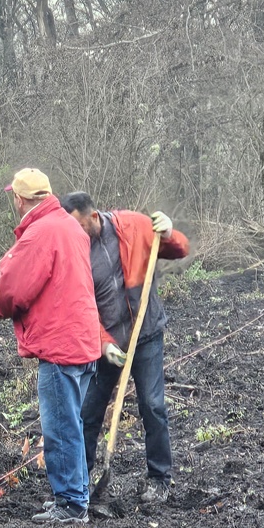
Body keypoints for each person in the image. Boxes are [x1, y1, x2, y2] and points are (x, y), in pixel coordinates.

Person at [0, 168, 101, 524]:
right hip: (81, 339)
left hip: (59, 343)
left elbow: (14, 288)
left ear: (19, 199)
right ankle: (76, 495)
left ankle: (71, 505)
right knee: (72, 422)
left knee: (60, 426)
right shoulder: (68, 226)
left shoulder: (40, 232)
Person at [59, 191, 191, 503]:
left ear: (93, 217)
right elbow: (82, 309)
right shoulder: (75, 253)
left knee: (153, 405)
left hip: (145, 334)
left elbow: (178, 248)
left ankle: (159, 477)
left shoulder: (132, 225)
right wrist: (104, 343)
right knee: (89, 411)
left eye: (77, 226)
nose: (74, 233)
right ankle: (83, 478)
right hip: (107, 344)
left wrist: (170, 232)